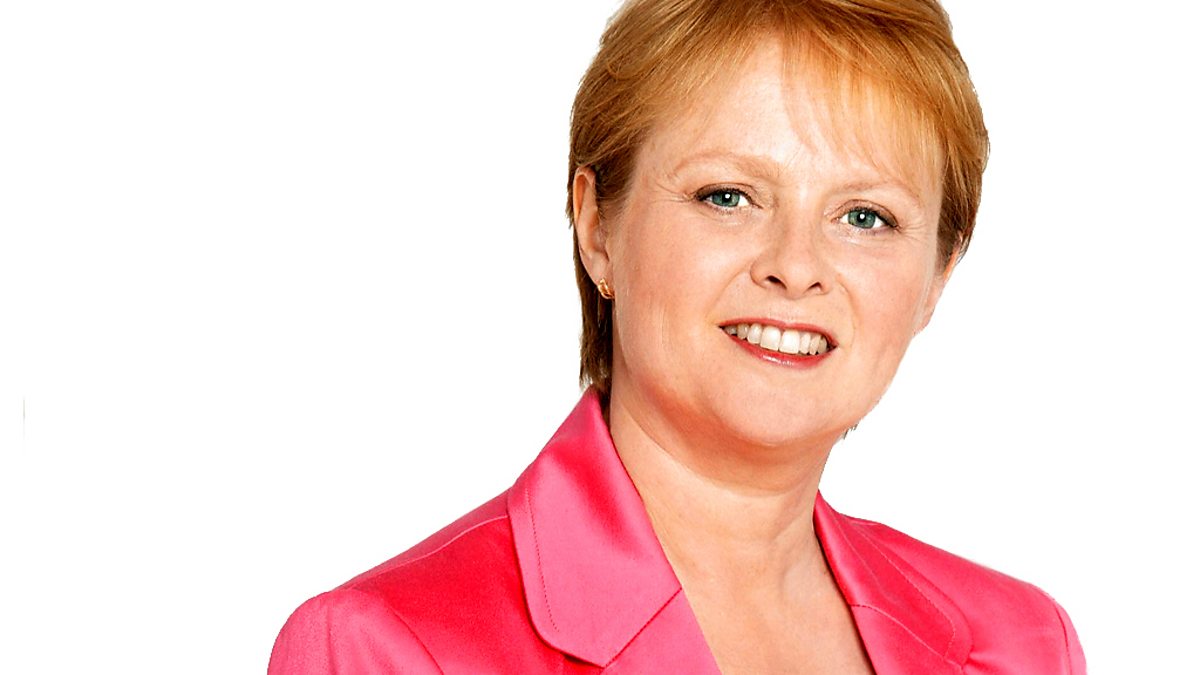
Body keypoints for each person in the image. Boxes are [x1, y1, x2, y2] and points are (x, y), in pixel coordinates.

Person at [269, 0, 1086, 672]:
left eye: (865, 216)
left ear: (936, 277)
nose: (795, 266)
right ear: (598, 227)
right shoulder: (381, 648)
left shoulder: (1024, 646)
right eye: (727, 196)